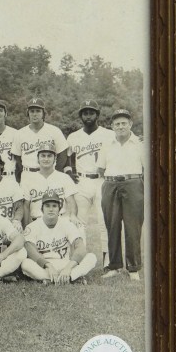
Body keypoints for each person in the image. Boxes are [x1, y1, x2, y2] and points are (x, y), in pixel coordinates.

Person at [97, 109, 145, 281]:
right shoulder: (106, 144)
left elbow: (148, 168)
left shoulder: (140, 144)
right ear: (112, 126)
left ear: (130, 124)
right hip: (110, 184)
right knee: (112, 225)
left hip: (133, 183)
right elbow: (100, 168)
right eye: (117, 124)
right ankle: (114, 266)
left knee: (133, 227)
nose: (121, 126)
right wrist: (113, 181)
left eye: (124, 123)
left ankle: (133, 268)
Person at [66, 100, 115, 264]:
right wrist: (69, 172)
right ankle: (81, 259)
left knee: (104, 221)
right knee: (80, 223)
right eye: (85, 113)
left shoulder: (109, 134)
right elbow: (66, 158)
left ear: (97, 115)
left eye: (91, 112)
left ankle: (108, 261)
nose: (88, 116)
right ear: (81, 116)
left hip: (102, 181)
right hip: (82, 181)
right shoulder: (73, 136)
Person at [21, 190, 97, 284]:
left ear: (59, 208)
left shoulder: (67, 224)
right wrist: (48, 266)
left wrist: (68, 268)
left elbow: (81, 248)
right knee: (25, 264)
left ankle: (52, 279)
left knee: (91, 257)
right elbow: (30, 250)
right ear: (42, 209)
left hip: (64, 263)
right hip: (44, 265)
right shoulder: (32, 226)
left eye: (54, 206)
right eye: (47, 206)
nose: (51, 209)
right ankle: (71, 278)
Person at [21, 144, 81, 228]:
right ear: (38, 159)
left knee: (80, 230)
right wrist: (26, 226)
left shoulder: (64, 177)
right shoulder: (28, 180)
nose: (46, 159)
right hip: (37, 222)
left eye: (49, 156)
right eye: (43, 156)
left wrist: (73, 216)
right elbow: (26, 206)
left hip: (60, 221)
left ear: (55, 159)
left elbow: (71, 202)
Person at [11, 98, 68, 182]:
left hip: (49, 174)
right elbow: (18, 158)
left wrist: (56, 173)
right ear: (28, 113)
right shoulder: (19, 133)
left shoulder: (54, 131)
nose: (35, 114)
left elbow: (62, 155)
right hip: (28, 174)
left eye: (38, 111)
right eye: (32, 111)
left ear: (43, 113)